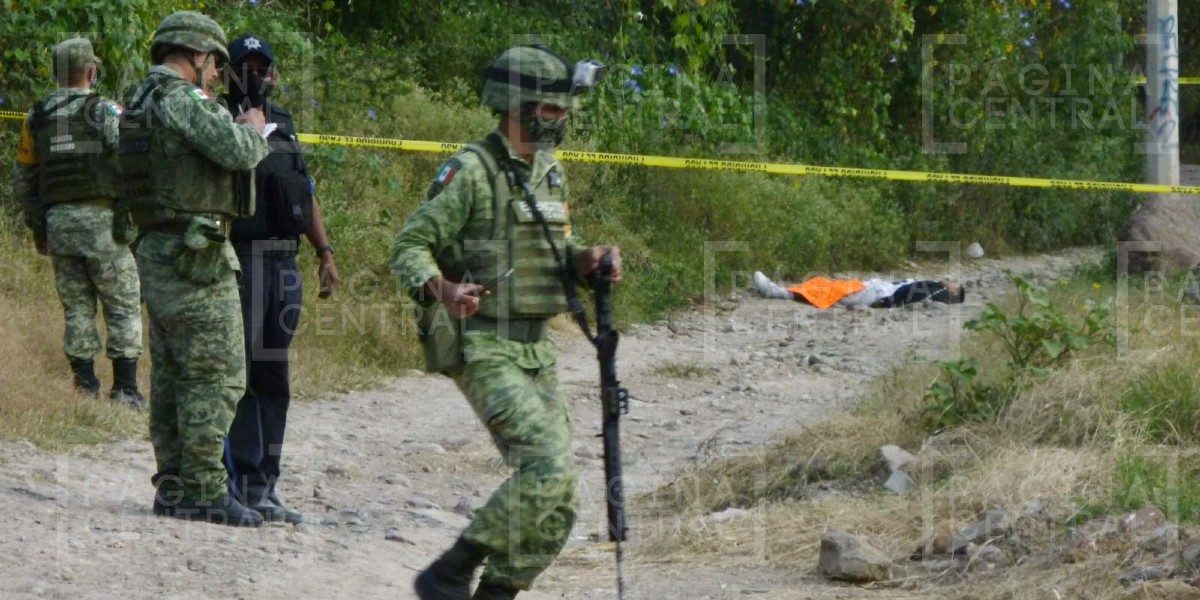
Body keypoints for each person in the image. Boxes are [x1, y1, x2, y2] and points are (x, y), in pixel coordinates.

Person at [391, 45, 620, 600]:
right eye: (551, 110)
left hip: (537, 349)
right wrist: (442, 289)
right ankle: (450, 569)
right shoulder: (471, 171)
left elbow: (554, 248)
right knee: (546, 469)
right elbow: (408, 246)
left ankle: (496, 592)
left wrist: (586, 260)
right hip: (484, 343)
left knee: (560, 500)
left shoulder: (548, 171)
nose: (562, 120)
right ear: (517, 106)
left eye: (565, 111)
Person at [119, 11, 270, 526]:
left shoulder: (137, 101)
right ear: (199, 55)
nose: (214, 76)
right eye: (213, 64)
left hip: (156, 248)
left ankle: (174, 487)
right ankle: (205, 489)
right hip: (195, 255)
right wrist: (252, 130)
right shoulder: (180, 99)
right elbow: (236, 150)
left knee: (173, 375)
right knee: (215, 373)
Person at [220, 33, 340, 525]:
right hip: (242, 260)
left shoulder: (285, 123)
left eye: (262, 66)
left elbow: (304, 190)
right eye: (244, 65)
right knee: (241, 376)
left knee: (274, 378)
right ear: (227, 71)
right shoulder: (217, 121)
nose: (255, 74)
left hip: (284, 264)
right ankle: (234, 481)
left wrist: (325, 252)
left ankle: (265, 483)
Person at [11, 37, 145, 407]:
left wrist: (40, 228)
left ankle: (85, 387)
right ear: (91, 71)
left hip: (59, 225)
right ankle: (125, 389)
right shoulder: (104, 110)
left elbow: (24, 179)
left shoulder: (36, 117)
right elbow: (132, 158)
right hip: (104, 223)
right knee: (122, 302)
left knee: (77, 306)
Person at [752, 271, 965, 309]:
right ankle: (780, 290)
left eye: (955, 284)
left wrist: (883, 304)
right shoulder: (934, 287)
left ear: (953, 293)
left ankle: (775, 291)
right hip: (874, 288)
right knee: (826, 287)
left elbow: (908, 296)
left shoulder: (936, 290)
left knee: (827, 291)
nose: (951, 281)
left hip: (877, 294)